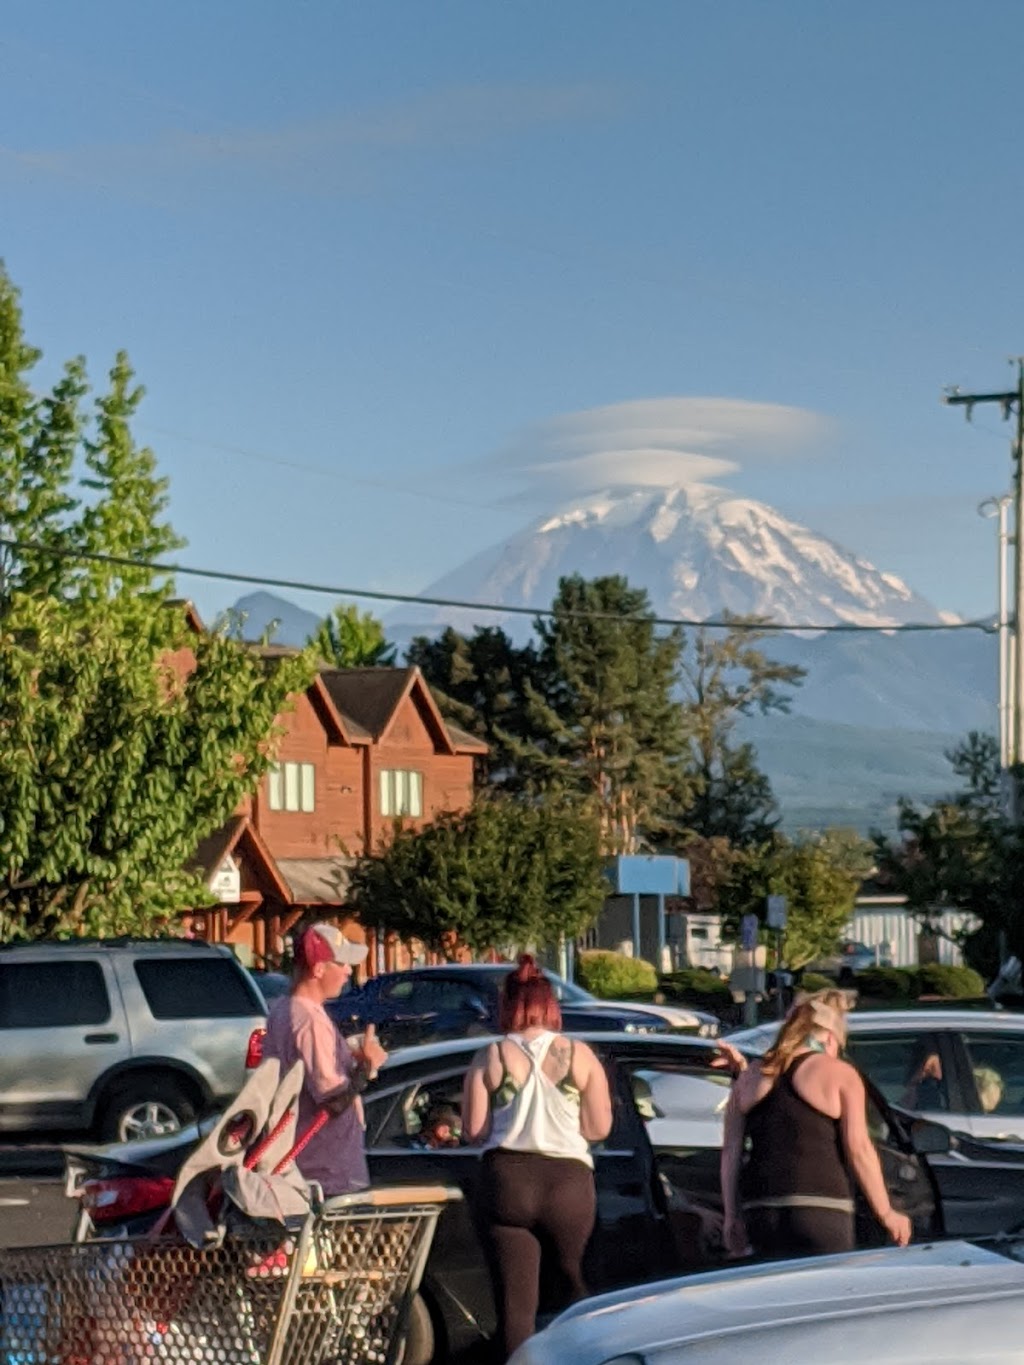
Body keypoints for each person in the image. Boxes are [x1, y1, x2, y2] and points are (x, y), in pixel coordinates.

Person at [461, 955, 612, 1361]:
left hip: (506, 1180)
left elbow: (473, 1132)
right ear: (551, 1006)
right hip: (567, 1182)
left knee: (516, 1308)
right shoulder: (579, 1055)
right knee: (576, 1293)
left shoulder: (490, 1056)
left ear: (508, 1006)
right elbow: (599, 1128)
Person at [720, 989, 912, 1261]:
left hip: (761, 1211)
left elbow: (730, 1152)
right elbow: (859, 1148)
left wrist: (732, 1216)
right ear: (831, 1037)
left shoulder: (749, 1077)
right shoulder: (840, 1074)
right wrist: (886, 1213)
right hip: (822, 1209)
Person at [262, 922, 387, 1197]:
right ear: (318, 969)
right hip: (325, 1176)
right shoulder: (308, 1020)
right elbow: (332, 1100)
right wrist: (367, 1066)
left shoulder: (283, 1009)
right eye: (341, 964)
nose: (348, 971)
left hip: (305, 1169)